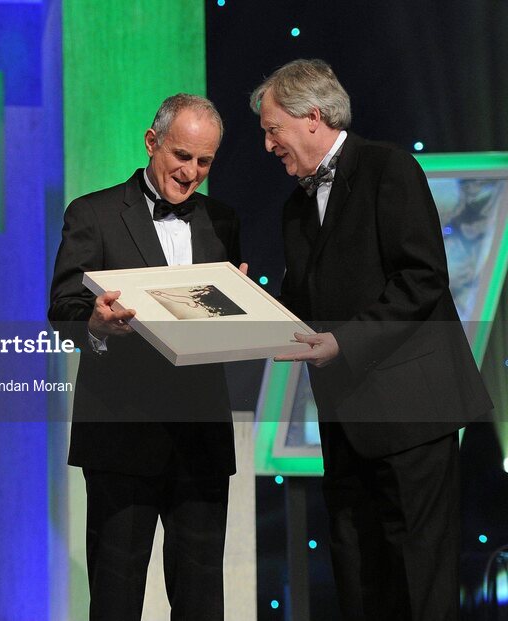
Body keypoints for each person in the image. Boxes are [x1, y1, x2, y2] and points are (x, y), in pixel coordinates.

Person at [251, 59, 492, 620]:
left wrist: (345, 344)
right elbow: (302, 305)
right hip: (344, 420)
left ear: (311, 116)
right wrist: (246, 303)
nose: (267, 145)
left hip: (412, 415)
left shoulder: (389, 169)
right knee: (357, 573)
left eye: (271, 129)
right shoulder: (294, 209)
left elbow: (423, 278)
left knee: (417, 576)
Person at [49, 94, 243, 621]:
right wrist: (95, 323)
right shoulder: (93, 212)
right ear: (151, 142)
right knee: (116, 597)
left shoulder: (223, 221)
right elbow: (63, 308)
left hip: (200, 434)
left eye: (204, 162)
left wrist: (242, 306)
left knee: (202, 598)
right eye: (181, 156)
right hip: (121, 434)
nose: (191, 173)